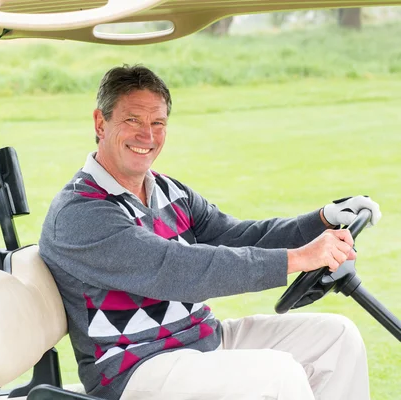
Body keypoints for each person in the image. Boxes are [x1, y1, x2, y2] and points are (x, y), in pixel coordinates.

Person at [38, 65, 382, 400]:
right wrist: (300, 258)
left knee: (338, 338)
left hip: (201, 340)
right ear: (100, 123)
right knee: (276, 375)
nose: (148, 135)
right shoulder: (81, 213)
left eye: (158, 123)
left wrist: (321, 219)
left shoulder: (169, 191)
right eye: (133, 120)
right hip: (135, 369)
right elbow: (178, 268)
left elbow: (238, 236)